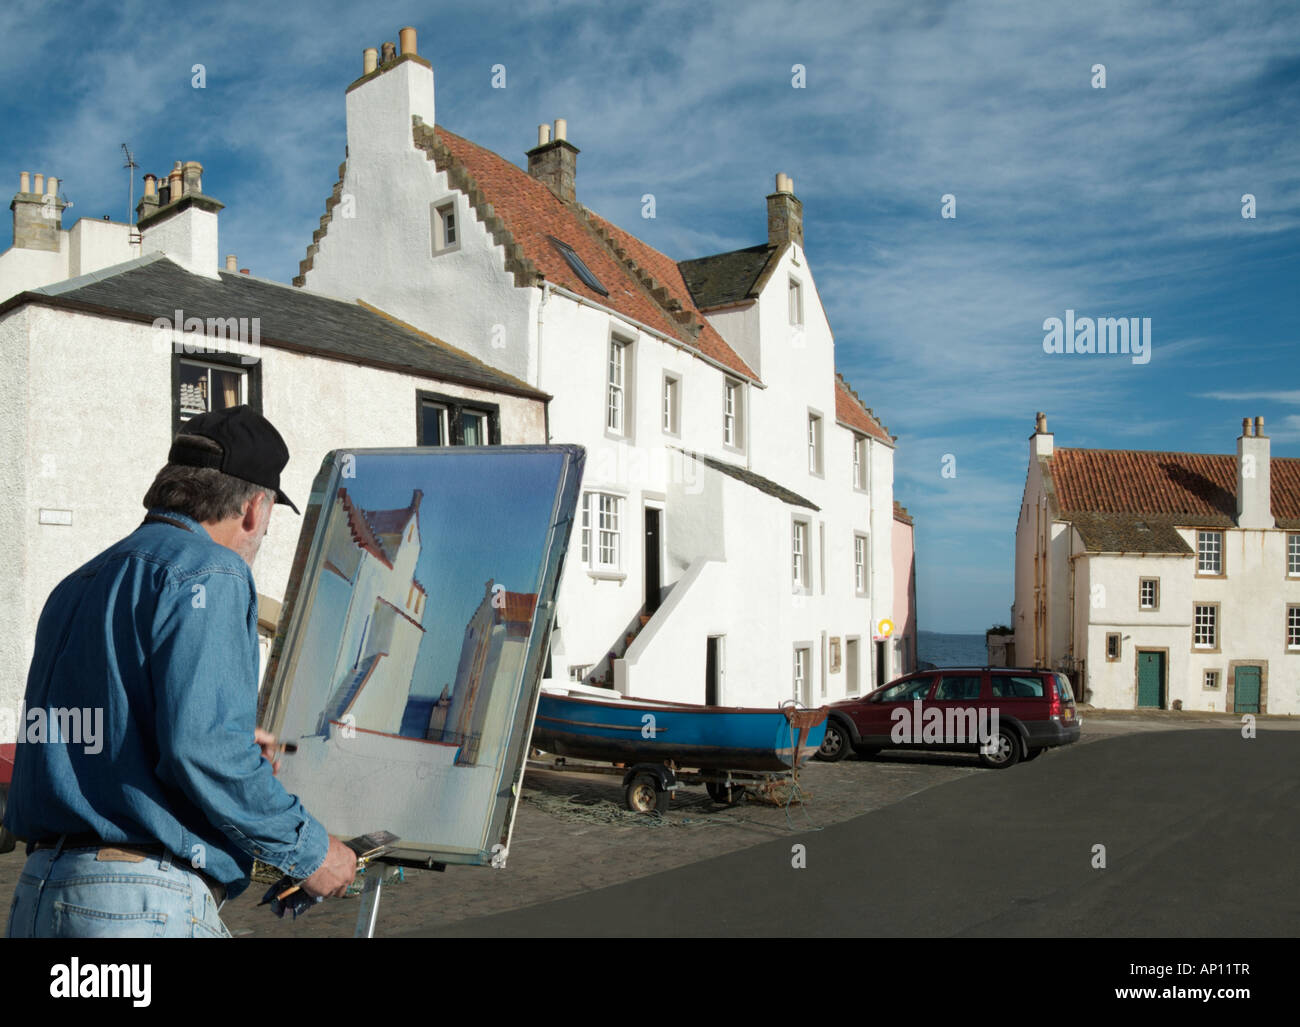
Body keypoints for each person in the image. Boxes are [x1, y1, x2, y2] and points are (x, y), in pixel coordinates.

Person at [3, 405, 356, 937]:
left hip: (41, 893)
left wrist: (228, 739)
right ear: (255, 508)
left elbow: (92, 733)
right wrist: (309, 851)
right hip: (135, 900)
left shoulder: (80, 581)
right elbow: (204, 750)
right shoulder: (212, 571)